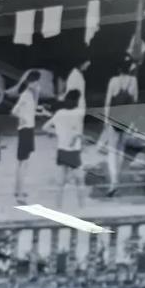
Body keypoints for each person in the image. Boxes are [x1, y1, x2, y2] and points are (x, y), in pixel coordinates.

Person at [42, 88, 87, 214]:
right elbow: (78, 133)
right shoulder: (79, 113)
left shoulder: (59, 113)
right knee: (80, 182)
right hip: (74, 151)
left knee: (60, 183)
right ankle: (83, 209)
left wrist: (57, 133)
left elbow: (45, 127)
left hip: (62, 150)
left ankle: (58, 208)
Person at [102, 61, 139, 196]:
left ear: (118, 69)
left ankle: (114, 181)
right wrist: (133, 123)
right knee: (121, 149)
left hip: (114, 117)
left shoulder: (113, 81)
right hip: (126, 119)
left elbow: (108, 102)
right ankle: (116, 177)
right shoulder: (133, 81)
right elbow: (135, 101)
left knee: (112, 151)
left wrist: (106, 119)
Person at [10, 70, 40, 202]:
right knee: (23, 162)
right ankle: (20, 192)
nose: (38, 84)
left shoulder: (30, 94)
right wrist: (23, 119)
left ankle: (18, 190)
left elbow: (33, 109)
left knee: (22, 162)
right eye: (37, 81)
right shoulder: (26, 94)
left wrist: (37, 93)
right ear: (32, 81)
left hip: (28, 128)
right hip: (25, 129)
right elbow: (14, 111)